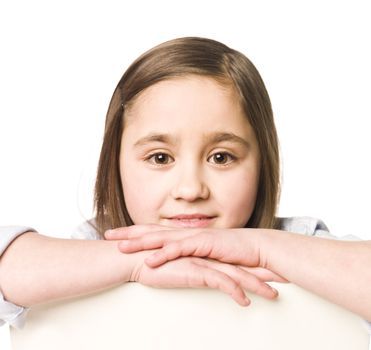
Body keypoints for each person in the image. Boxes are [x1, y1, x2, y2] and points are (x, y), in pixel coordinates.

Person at [0, 37, 370, 329]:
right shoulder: (97, 247)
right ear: (116, 164)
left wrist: (262, 248)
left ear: (263, 164)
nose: (191, 190)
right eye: (160, 158)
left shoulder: (295, 243)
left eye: (221, 157)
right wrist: (138, 262)